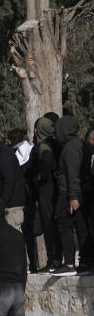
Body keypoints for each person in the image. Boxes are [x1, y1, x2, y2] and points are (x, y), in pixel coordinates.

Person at [52, 115, 92, 276]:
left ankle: (69, 264)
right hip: (79, 191)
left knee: (65, 225)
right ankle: (85, 262)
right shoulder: (80, 143)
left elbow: (73, 174)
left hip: (68, 192)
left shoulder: (71, 148)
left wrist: (73, 197)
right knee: (82, 227)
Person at [32, 117, 61, 271]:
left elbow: (47, 162)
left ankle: (53, 260)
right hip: (56, 189)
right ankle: (57, 259)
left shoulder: (44, 147)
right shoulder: (56, 143)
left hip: (46, 191)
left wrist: (41, 176)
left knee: (48, 225)